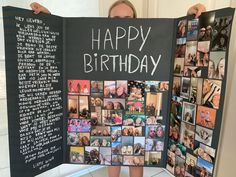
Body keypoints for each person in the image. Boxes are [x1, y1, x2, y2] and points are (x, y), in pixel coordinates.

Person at [30, 1, 206, 177]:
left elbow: (171, 39)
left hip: (137, 104)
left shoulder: (147, 39)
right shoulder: (98, 39)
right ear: (107, 21)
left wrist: (190, 17)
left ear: (136, 21)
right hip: (109, 105)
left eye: (127, 18)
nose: (121, 22)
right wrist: (48, 19)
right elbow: (70, 39)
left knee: (137, 154)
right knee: (112, 154)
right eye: (116, 18)